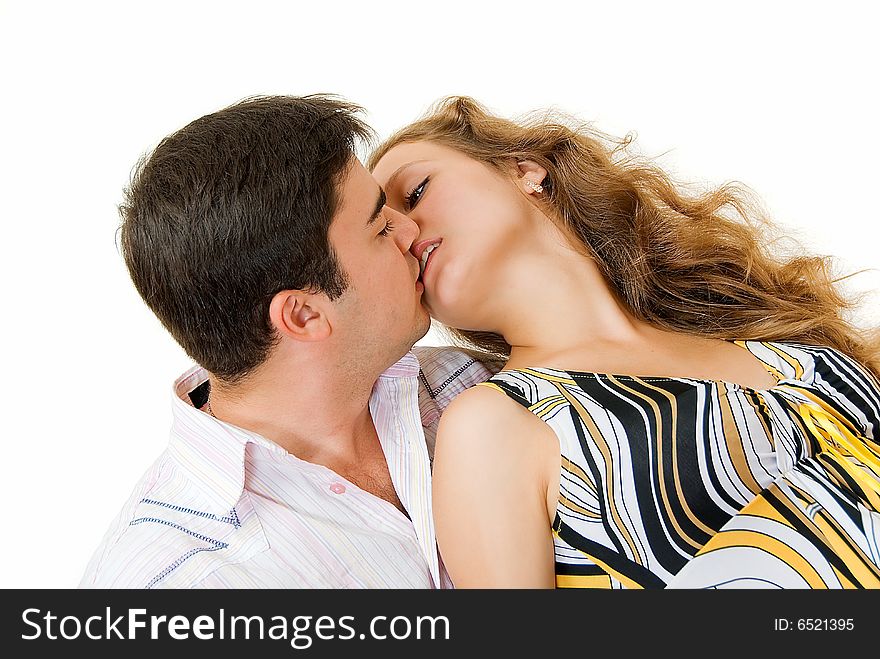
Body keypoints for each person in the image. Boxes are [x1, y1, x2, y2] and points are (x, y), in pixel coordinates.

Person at [369, 96, 880, 589]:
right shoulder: (497, 423)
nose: (406, 229)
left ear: (523, 169)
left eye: (415, 193)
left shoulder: (778, 342)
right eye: (382, 230)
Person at [79, 95, 498, 589]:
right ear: (303, 314)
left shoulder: (462, 384)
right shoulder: (183, 581)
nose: (411, 231)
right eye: (381, 225)